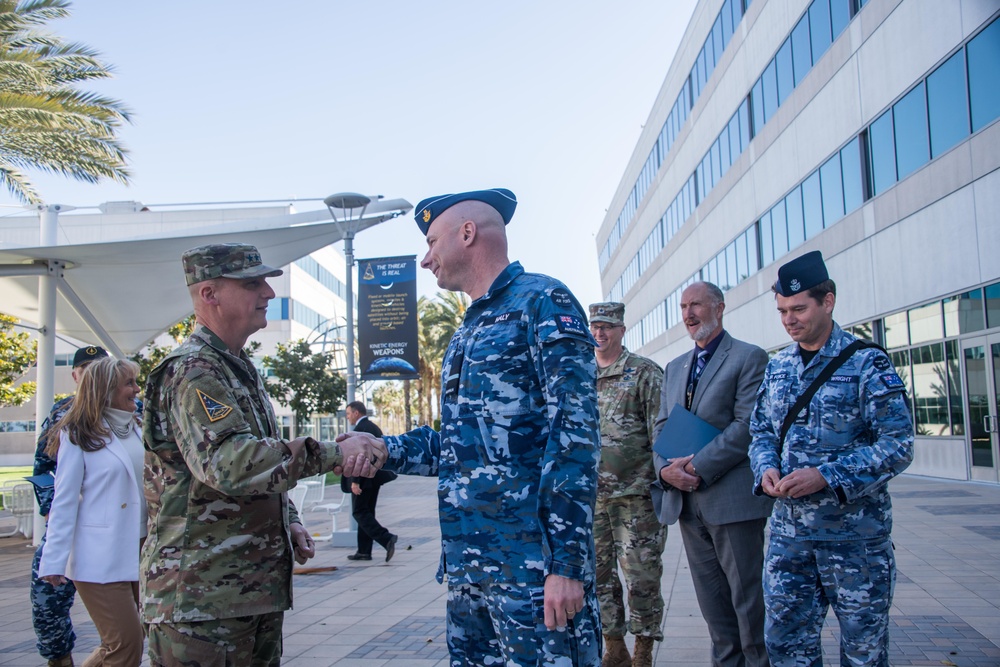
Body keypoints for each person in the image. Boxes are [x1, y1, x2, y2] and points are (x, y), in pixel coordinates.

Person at [336, 188, 603, 666]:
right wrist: (381, 448)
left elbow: (575, 438)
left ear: (467, 233)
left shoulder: (542, 301)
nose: (425, 260)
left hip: (533, 571)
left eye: (432, 242)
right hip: (470, 571)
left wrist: (567, 565)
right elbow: (457, 443)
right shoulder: (467, 329)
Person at [141, 242, 387, 666]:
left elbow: (261, 462)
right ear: (209, 295)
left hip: (245, 593)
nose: (268, 294)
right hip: (202, 601)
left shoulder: (236, 368)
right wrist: (333, 452)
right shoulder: (194, 370)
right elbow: (229, 463)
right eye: (252, 284)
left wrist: (287, 518)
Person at [748, 251, 914, 667]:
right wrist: (765, 467)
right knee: (786, 647)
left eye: (799, 308)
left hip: (854, 542)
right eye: (783, 310)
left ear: (828, 301)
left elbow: (898, 443)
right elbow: (761, 432)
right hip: (790, 540)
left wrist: (826, 475)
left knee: (863, 651)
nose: (789, 319)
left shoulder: (866, 363)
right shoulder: (778, 366)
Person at [651, 281, 772, 667]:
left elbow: (747, 426)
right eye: (684, 306)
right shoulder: (674, 368)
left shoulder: (749, 358)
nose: (689, 314)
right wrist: (666, 472)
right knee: (712, 604)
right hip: (687, 505)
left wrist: (698, 468)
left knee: (747, 601)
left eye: (697, 305)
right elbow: (659, 429)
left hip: (732, 502)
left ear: (719, 307)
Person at [39, 356, 147, 666]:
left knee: (126, 641)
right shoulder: (77, 434)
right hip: (99, 558)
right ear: (107, 389)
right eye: (130, 383)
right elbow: (64, 500)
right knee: (126, 646)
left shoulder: (137, 428)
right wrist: (53, 560)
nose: (137, 389)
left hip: (139, 551)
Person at [588, 301, 665, 667]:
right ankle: (614, 645)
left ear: (621, 329)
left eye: (607, 326)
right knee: (599, 577)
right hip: (593, 500)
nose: (600, 333)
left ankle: (644, 649)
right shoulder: (581, 375)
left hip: (636, 497)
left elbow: (661, 434)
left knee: (641, 578)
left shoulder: (644, 373)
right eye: (595, 326)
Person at [30, 344, 109, 667]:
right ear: (76, 375)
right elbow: (43, 469)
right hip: (68, 522)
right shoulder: (62, 412)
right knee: (47, 603)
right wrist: (50, 508)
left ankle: (113, 653)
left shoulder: (132, 409)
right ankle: (59, 659)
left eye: (98, 369)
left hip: (110, 526)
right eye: (85, 370)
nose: (91, 376)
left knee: (124, 614)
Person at [341, 401, 397, 562]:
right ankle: (364, 551)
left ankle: (386, 538)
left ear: (356, 413)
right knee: (367, 512)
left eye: (349, 414)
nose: (348, 417)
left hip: (364, 479)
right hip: (375, 479)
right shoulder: (373, 427)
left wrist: (355, 482)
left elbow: (360, 456)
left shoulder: (359, 430)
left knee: (359, 512)